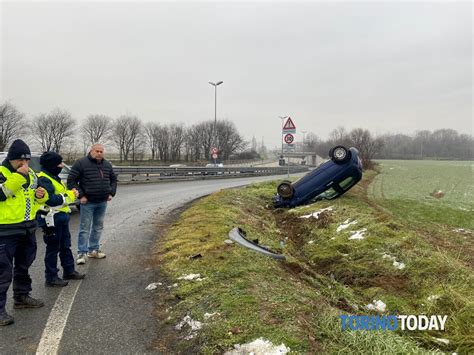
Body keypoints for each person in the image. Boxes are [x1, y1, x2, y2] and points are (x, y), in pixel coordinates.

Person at [0, 139, 48, 326]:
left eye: (27, 161)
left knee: (24, 265)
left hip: (27, 228)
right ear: (11, 159)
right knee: (2, 271)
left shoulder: (32, 176)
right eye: (21, 160)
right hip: (5, 230)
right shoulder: (2, 172)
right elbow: (2, 194)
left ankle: (21, 297)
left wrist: (40, 195)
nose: (25, 164)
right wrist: (19, 177)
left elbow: (33, 201)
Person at [37, 152, 86, 287]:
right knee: (53, 248)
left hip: (61, 217)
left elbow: (59, 196)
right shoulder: (43, 179)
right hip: (51, 219)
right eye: (59, 163)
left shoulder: (54, 177)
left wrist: (68, 195)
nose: (62, 165)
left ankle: (69, 270)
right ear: (52, 165)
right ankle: (51, 277)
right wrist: (71, 194)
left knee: (65, 245)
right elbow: (52, 200)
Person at [67, 144, 117, 265]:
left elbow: (113, 179)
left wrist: (111, 192)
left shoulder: (107, 164)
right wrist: (81, 195)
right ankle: (81, 252)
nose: (99, 153)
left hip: (102, 201)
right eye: (97, 151)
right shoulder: (81, 163)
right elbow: (71, 181)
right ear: (91, 151)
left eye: (101, 151)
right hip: (88, 202)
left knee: (98, 227)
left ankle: (93, 249)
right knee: (85, 228)